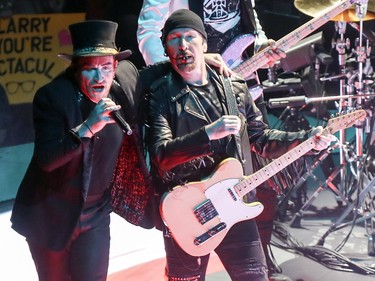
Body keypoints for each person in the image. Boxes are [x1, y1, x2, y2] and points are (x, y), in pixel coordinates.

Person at [9, 18, 233, 281]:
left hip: (95, 215)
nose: (99, 77)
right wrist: (87, 128)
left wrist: (199, 58)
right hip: (50, 213)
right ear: (75, 69)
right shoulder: (53, 97)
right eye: (89, 69)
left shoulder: (124, 82)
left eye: (105, 67)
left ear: (115, 67)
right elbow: (47, 160)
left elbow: (161, 70)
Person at [145, 9, 335, 281]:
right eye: (174, 39)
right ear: (166, 48)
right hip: (186, 208)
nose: (183, 45)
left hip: (234, 203)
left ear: (204, 43)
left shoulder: (234, 87)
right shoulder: (161, 94)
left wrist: (307, 140)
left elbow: (260, 139)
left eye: (189, 37)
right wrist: (207, 134)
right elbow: (161, 156)